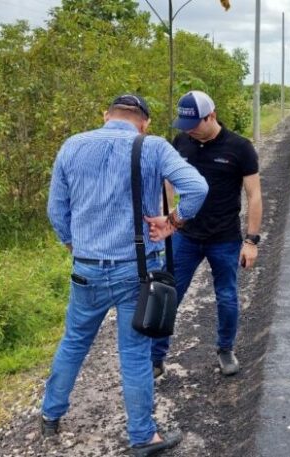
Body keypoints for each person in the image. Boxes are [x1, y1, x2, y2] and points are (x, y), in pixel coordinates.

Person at [42, 94, 208, 456]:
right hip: (137, 271)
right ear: (144, 122)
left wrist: (73, 244)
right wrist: (174, 222)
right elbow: (197, 187)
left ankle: (50, 415)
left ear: (106, 116)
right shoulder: (152, 146)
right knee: (134, 352)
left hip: (86, 268)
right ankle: (142, 436)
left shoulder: (72, 146)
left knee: (74, 341)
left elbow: (56, 209)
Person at [150, 90, 262, 377]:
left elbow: (254, 195)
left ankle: (225, 349)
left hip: (224, 238)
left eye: (194, 125)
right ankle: (155, 356)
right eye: (185, 127)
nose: (189, 131)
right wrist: (169, 214)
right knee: (169, 293)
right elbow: (169, 183)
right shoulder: (182, 142)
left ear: (211, 116)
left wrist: (251, 241)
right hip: (185, 237)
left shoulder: (240, 148)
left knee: (226, 297)